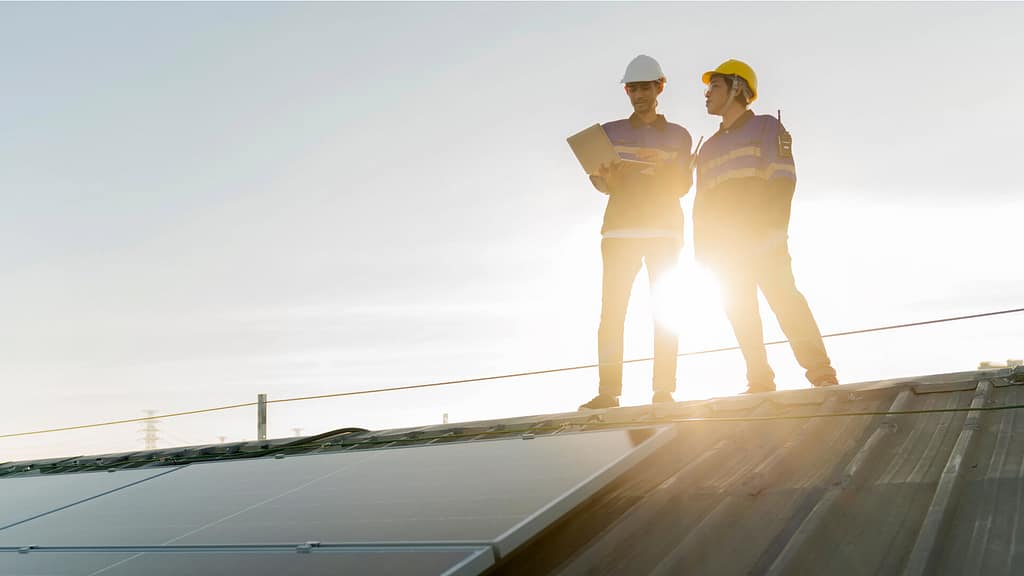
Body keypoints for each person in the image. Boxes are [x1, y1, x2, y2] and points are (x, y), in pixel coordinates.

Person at [694, 59, 838, 394]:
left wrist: (774, 230)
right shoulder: (709, 149)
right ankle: (759, 380)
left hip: (763, 238)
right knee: (740, 311)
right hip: (725, 251)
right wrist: (703, 252)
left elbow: (783, 180)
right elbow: (701, 205)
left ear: (738, 89)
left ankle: (821, 373)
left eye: (715, 86)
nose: (707, 93)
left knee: (786, 301)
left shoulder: (766, 128)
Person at [579, 55, 693, 410]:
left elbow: (682, 186)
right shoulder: (608, 133)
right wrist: (609, 180)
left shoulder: (679, 136)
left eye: (645, 87)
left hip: (664, 231)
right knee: (612, 313)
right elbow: (602, 184)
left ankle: (663, 390)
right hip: (619, 232)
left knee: (665, 310)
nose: (639, 94)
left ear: (660, 87)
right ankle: (608, 392)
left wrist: (664, 168)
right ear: (626, 91)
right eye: (633, 88)